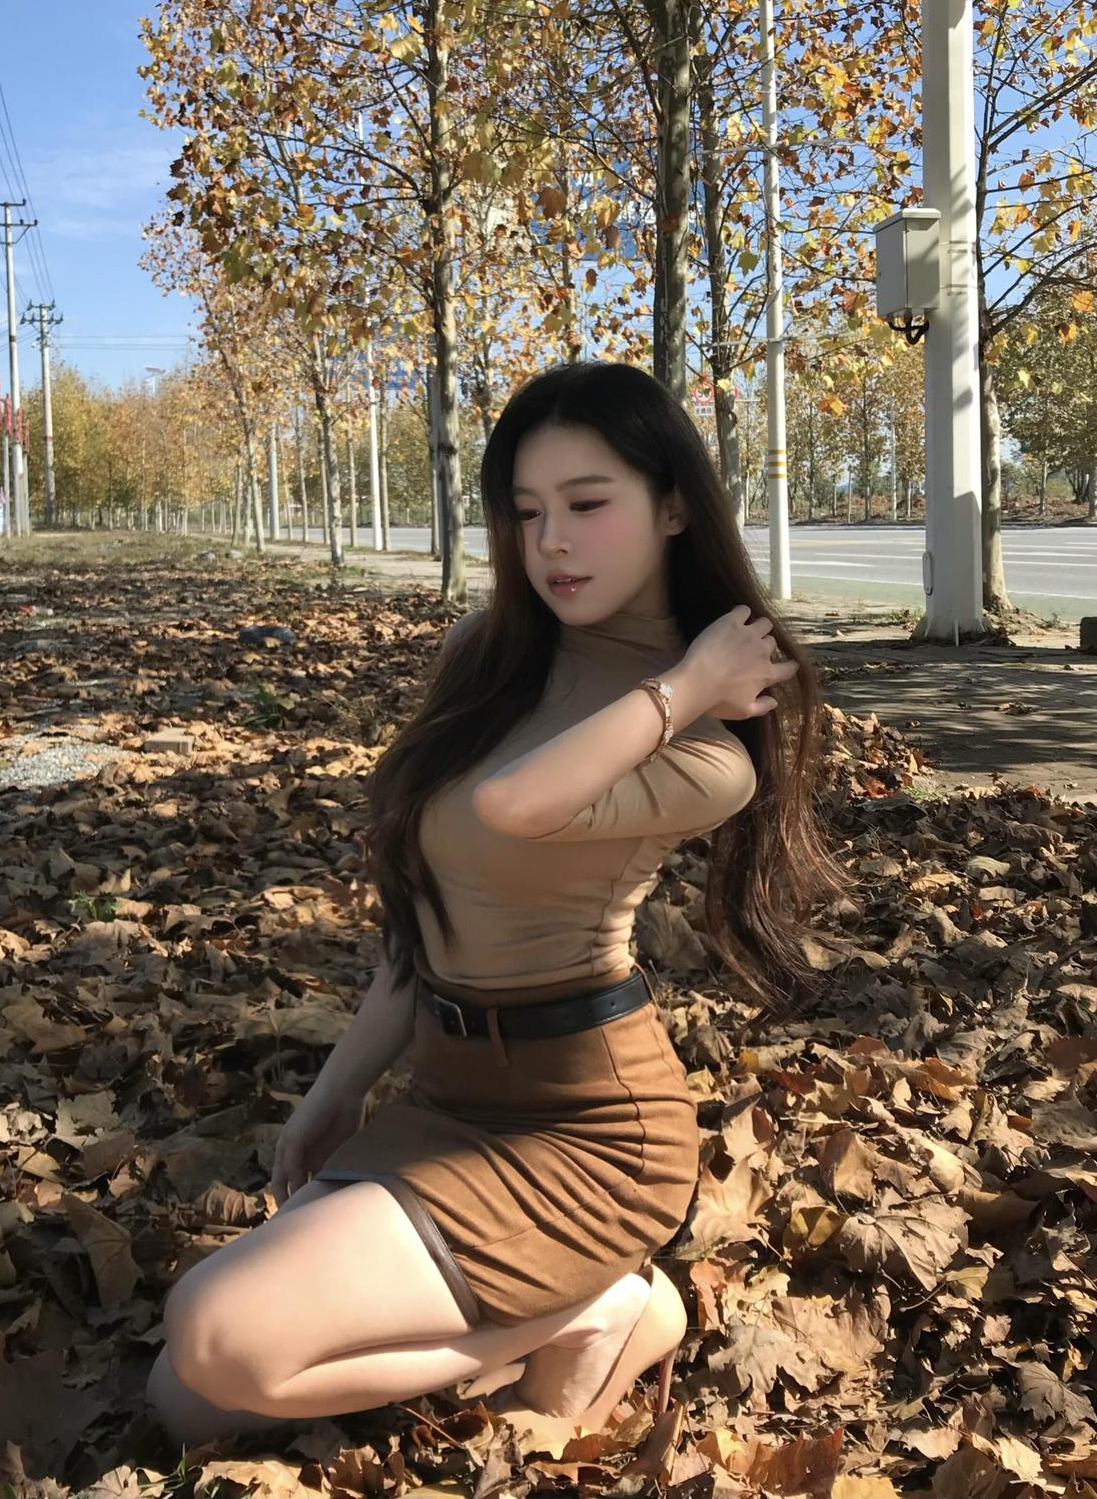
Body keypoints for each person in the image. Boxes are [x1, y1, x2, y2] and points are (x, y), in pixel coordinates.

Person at [145, 361, 851, 1449]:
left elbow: (514, 804)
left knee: (219, 1335)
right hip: (447, 1091)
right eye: (526, 512)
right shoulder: (486, 656)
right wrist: (340, 1087)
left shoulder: (712, 753)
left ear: (673, 506)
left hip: (588, 1129)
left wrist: (682, 686)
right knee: (187, 1399)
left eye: (586, 503)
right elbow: (430, 908)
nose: (551, 542)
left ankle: (599, 1308)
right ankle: (562, 1320)